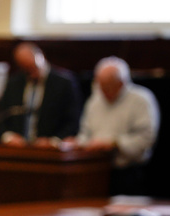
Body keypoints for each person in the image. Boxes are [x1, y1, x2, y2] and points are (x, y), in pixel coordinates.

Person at [64, 57, 160, 195]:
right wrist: (78, 143)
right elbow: (86, 133)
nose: (103, 91)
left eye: (108, 86)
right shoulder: (95, 100)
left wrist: (114, 143)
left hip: (129, 173)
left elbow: (146, 139)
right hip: (97, 171)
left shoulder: (141, 99)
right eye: (100, 85)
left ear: (122, 83)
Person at [0, 43, 81, 144]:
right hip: (19, 147)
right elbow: (0, 117)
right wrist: (9, 137)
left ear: (41, 57)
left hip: (50, 149)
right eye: (27, 69)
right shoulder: (14, 83)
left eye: (34, 67)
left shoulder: (64, 82)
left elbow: (73, 121)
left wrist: (53, 141)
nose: (32, 73)